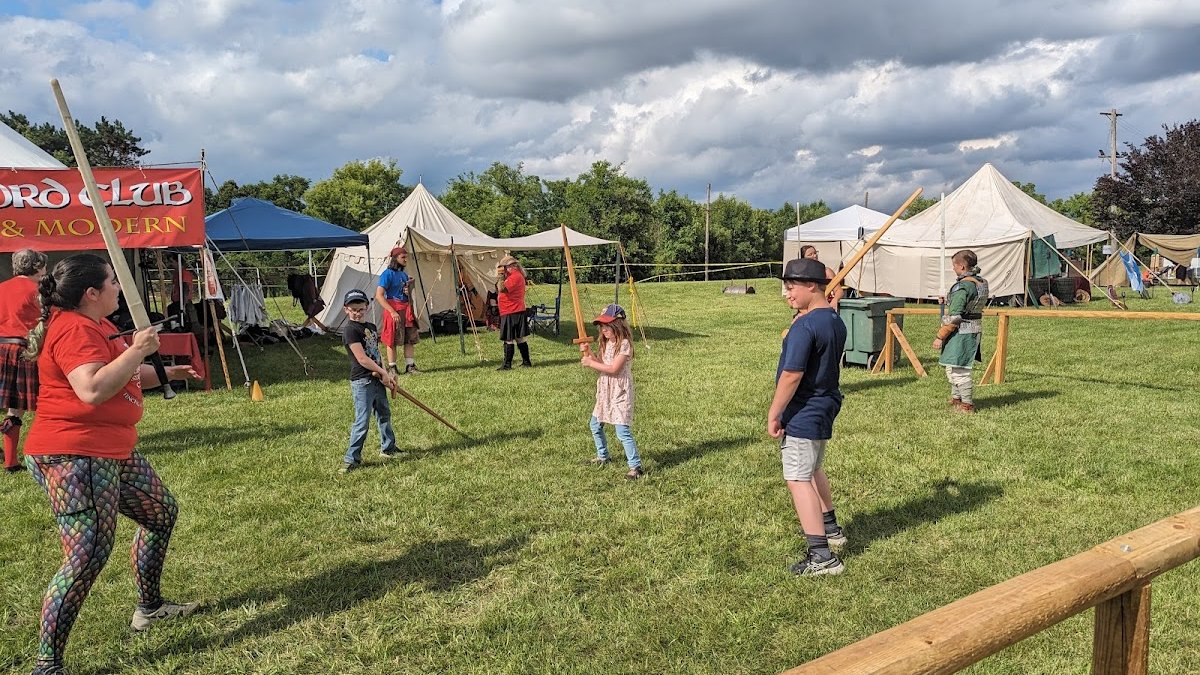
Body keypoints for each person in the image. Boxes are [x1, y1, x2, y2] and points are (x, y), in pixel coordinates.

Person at [21, 254, 202, 675]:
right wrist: (138, 348)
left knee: (160, 514)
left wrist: (170, 371)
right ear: (91, 293)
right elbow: (92, 388)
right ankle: (47, 665)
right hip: (74, 455)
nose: (119, 289)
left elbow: (124, 375)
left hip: (109, 450)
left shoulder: (98, 325)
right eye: (112, 283)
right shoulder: (73, 329)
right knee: (86, 555)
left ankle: (149, 608)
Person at [768, 257, 848, 577]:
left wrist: (775, 413)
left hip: (804, 410)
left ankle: (822, 557)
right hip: (824, 404)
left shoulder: (805, 325)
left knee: (798, 478)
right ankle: (832, 530)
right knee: (813, 468)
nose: (787, 294)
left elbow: (791, 374)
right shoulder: (834, 320)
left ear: (811, 286)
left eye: (791, 287)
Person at [341, 288, 400, 473]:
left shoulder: (372, 328)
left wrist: (387, 374)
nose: (357, 313)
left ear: (367, 306)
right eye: (353, 310)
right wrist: (382, 372)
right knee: (362, 420)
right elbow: (363, 359)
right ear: (346, 310)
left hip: (377, 378)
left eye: (360, 309)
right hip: (362, 381)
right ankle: (352, 458)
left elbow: (375, 354)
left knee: (384, 414)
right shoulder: (350, 330)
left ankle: (388, 448)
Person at [581, 304, 643, 480]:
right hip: (605, 391)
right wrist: (588, 353)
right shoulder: (606, 343)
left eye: (607, 326)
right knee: (595, 424)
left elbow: (614, 369)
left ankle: (635, 466)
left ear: (619, 325)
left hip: (619, 392)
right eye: (602, 326)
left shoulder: (624, 345)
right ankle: (603, 456)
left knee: (622, 430)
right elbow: (601, 363)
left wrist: (591, 363)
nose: (604, 330)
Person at [0, 248, 47, 473]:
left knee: (13, 408)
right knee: (44, 403)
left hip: (1, 348)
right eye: (44, 266)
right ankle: (46, 451)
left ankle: (11, 461)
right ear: (37, 266)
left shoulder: (1, 288)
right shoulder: (38, 290)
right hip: (26, 349)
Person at [933, 250, 989, 414]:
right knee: (954, 364)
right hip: (973, 329)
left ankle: (967, 404)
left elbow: (956, 317)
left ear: (962, 266)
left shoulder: (963, 286)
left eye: (954, 266)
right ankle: (956, 399)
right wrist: (949, 299)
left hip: (961, 331)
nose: (953, 269)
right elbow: (970, 304)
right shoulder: (981, 282)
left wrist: (940, 336)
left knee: (959, 369)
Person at [376, 246, 420, 374]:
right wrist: (392, 311)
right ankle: (392, 368)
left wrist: (410, 287)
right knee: (392, 340)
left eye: (406, 257)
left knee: (409, 338)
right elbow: (379, 295)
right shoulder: (387, 274)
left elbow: (406, 291)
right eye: (403, 257)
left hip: (406, 309)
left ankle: (410, 366)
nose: (406, 259)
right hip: (394, 309)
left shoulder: (403, 274)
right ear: (395, 259)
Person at [495, 254, 532, 370]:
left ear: (511, 266)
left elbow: (502, 288)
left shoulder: (515, 276)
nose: (503, 269)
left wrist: (500, 277)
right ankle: (526, 362)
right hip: (514, 310)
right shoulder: (515, 276)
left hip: (511, 310)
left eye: (504, 267)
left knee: (509, 338)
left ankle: (507, 365)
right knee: (519, 338)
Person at [800, 245, 843, 309]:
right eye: (810, 254)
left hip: (826, 306)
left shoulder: (827, 272)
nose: (814, 256)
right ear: (803, 258)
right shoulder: (801, 274)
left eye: (815, 253)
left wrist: (834, 301)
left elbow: (839, 290)